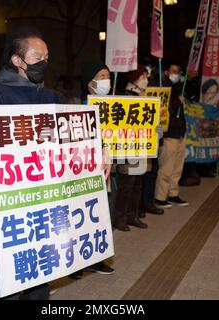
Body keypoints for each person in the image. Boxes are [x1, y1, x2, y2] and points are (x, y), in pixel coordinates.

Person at [0, 27, 58, 300]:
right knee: (11, 277)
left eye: (47, 57)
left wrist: (97, 153)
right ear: (17, 61)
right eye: (37, 56)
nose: (44, 62)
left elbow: (71, 140)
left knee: (42, 270)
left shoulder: (49, 97)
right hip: (10, 200)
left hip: (44, 197)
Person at [67, 61, 116, 279]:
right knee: (81, 216)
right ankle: (76, 264)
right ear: (90, 82)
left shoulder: (117, 107)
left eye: (108, 76)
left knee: (102, 216)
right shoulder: (77, 106)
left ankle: (98, 258)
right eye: (102, 76)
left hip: (106, 170)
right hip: (84, 170)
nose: (107, 80)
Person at [112, 65, 150, 232]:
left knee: (137, 184)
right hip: (126, 148)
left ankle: (132, 215)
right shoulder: (124, 97)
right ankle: (120, 217)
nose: (145, 80)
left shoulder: (145, 97)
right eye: (142, 76)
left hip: (141, 147)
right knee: (126, 185)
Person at [154, 62, 189, 209]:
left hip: (180, 133)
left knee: (177, 168)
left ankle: (173, 194)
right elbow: (162, 108)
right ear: (167, 72)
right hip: (169, 134)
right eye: (173, 71)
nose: (177, 74)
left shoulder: (178, 88)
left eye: (178, 71)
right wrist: (176, 102)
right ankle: (160, 197)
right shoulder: (162, 87)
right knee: (166, 168)